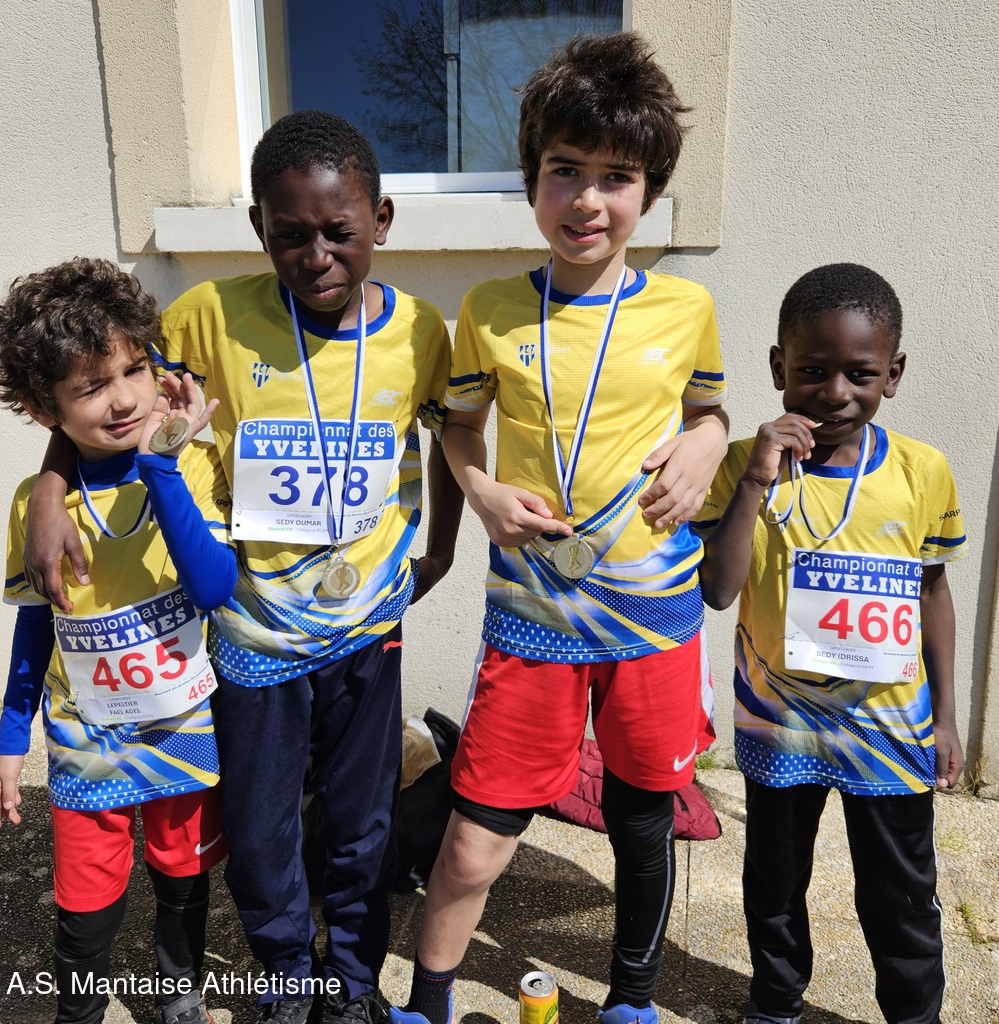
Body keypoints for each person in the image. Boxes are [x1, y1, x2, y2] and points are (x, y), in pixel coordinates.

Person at [23, 111, 463, 1024]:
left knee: (361, 824)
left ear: (381, 222)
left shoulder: (421, 330)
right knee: (261, 835)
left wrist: (444, 549)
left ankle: (350, 984)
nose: (316, 255)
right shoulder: (208, 316)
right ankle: (285, 979)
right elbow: (107, 398)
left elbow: (452, 438)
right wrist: (51, 486)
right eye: (290, 234)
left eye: (338, 231)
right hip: (253, 637)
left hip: (366, 627)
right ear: (260, 228)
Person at [391, 34, 728, 1024]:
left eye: (615, 177)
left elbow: (708, 411)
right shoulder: (490, 310)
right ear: (531, 178)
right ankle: (429, 999)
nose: (587, 200)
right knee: (475, 835)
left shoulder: (687, 308)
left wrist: (707, 443)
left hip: (651, 617)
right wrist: (481, 492)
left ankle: (632, 998)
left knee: (641, 822)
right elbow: (458, 429)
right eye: (564, 171)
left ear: (649, 192)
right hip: (534, 613)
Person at [694, 263, 966, 1024]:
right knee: (775, 879)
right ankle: (777, 1001)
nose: (835, 392)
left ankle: (913, 1013)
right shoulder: (743, 466)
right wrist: (755, 482)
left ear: (893, 375)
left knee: (900, 891)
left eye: (860, 374)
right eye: (812, 371)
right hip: (781, 722)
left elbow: (932, 593)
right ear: (778, 367)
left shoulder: (920, 471)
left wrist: (946, 716)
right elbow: (717, 589)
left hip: (890, 726)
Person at [0, 257, 236, 1024]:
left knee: (183, 878)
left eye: (134, 369)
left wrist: (162, 471)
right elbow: (36, 624)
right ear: (42, 408)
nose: (123, 398)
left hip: (182, 727)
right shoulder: (34, 506)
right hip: (87, 736)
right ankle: (79, 1009)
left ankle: (179, 990)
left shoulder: (193, 464)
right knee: (86, 900)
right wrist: (11, 741)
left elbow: (214, 587)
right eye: (91, 386)